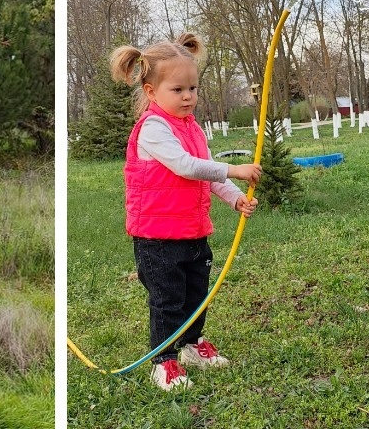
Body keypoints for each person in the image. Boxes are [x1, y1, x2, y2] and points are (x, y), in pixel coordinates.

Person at [110, 33, 261, 391]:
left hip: (193, 231)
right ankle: (164, 362)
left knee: (197, 294)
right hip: (158, 238)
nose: (188, 96)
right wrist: (234, 169)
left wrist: (235, 197)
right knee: (168, 300)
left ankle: (192, 346)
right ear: (151, 92)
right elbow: (186, 166)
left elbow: (205, 169)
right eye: (177, 90)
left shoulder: (192, 129)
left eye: (192, 88)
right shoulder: (152, 128)